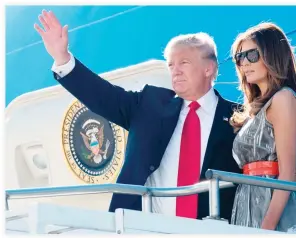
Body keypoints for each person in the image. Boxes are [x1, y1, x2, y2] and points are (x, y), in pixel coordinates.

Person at [34, 10, 241, 221]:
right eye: (171, 64)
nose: (175, 71)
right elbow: (104, 96)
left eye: (184, 63)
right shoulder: (148, 104)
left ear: (209, 69)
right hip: (146, 228)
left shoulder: (239, 118)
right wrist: (62, 57)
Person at [229, 22, 296, 233]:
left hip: (272, 205)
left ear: (272, 55)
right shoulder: (255, 110)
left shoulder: (283, 99)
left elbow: (286, 174)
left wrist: (266, 228)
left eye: (252, 55)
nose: (244, 63)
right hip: (246, 202)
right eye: (239, 58)